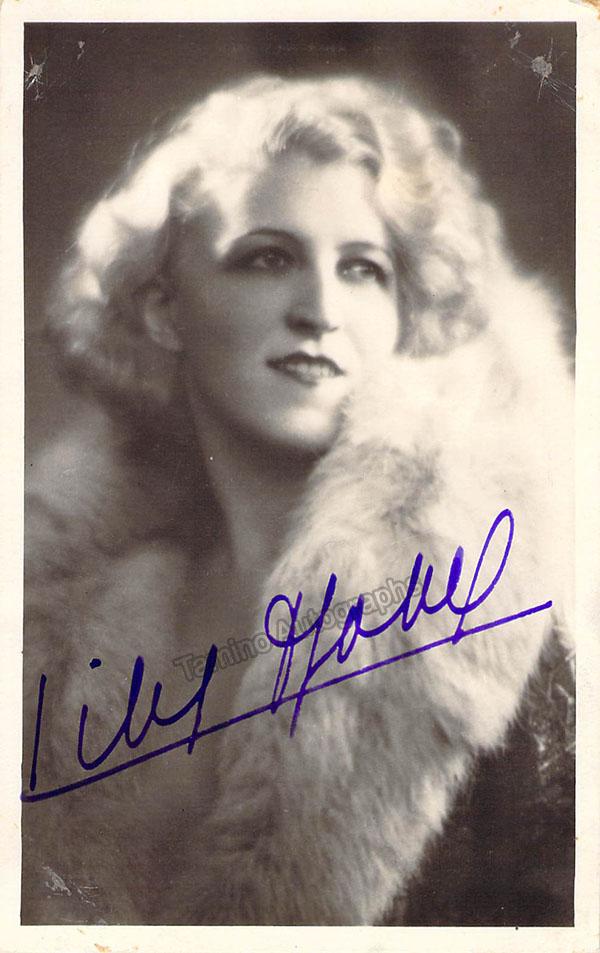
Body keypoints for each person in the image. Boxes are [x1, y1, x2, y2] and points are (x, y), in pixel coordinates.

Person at [22, 72, 574, 926]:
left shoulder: (495, 628)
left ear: (402, 313)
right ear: (164, 308)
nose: (320, 310)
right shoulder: (50, 639)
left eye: (363, 269)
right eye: (267, 258)